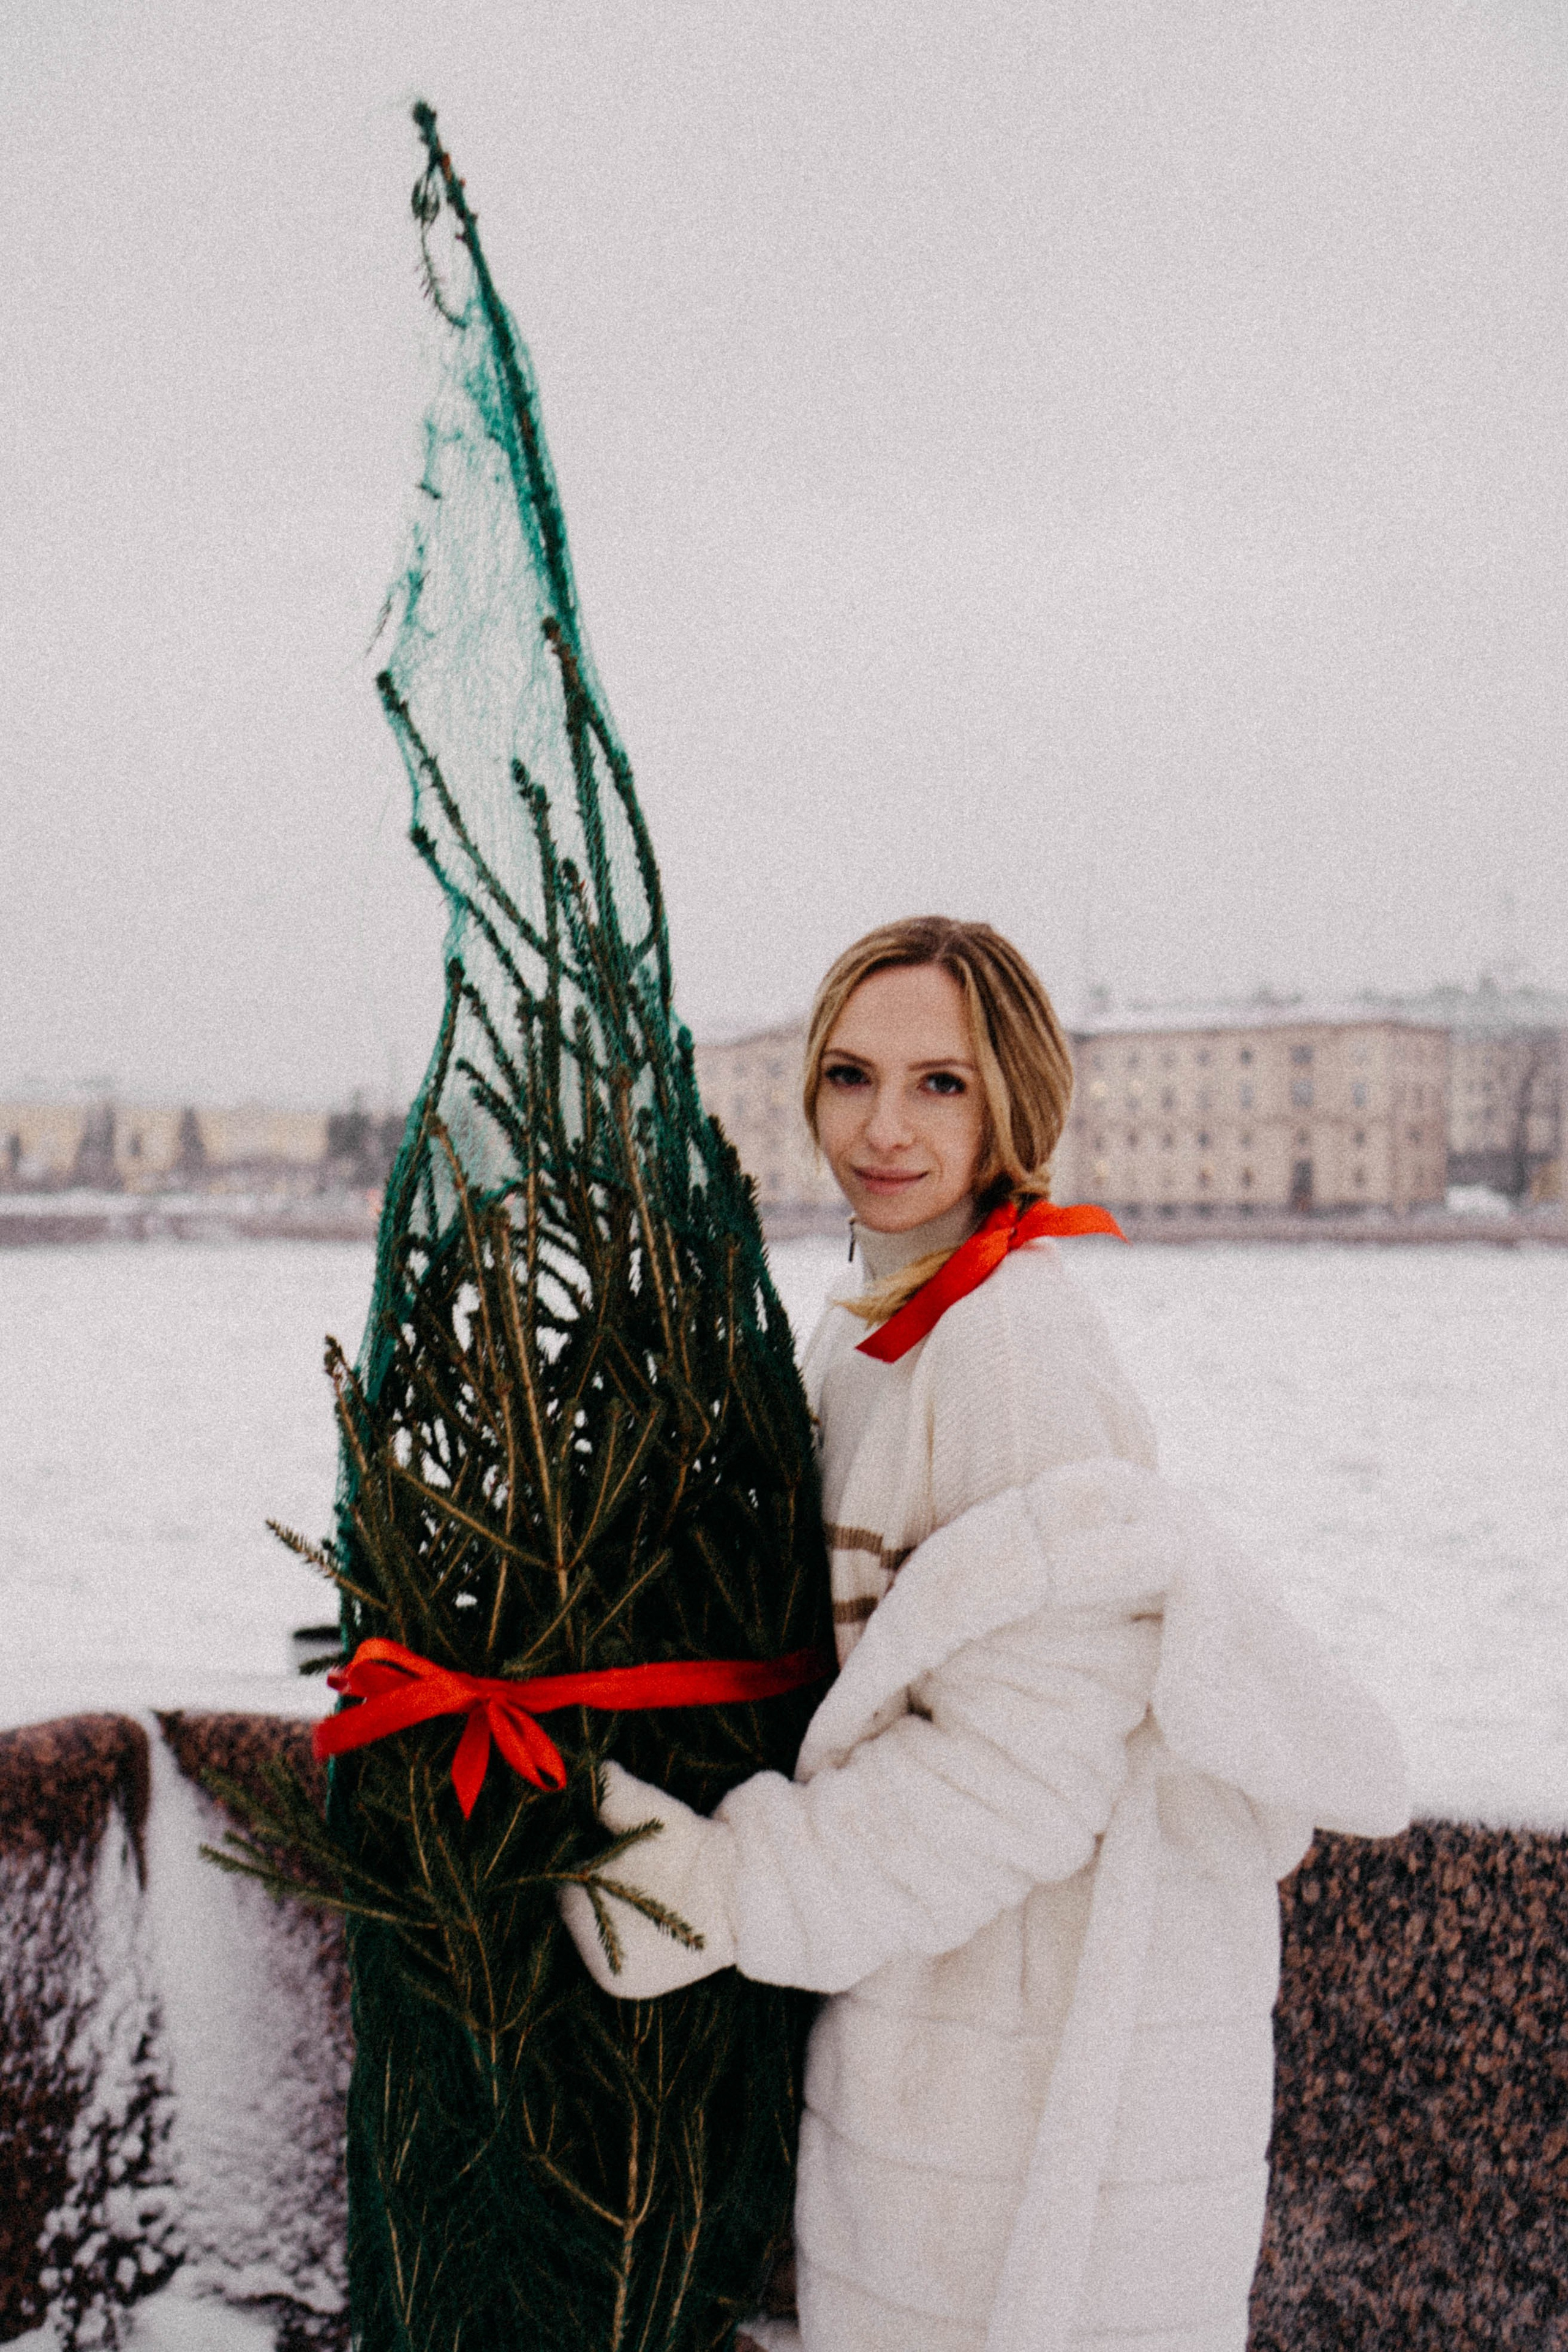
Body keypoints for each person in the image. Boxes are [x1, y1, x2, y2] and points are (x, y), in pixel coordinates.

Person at [560, 915, 1407, 2352]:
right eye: (848, 1074)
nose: (881, 1126)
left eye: (939, 1084)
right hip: (955, 2017)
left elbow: (1019, 1771)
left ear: (1013, 1099)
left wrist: (721, 1886)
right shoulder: (878, 1315)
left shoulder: (1009, 1340)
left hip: (1026, 2065)